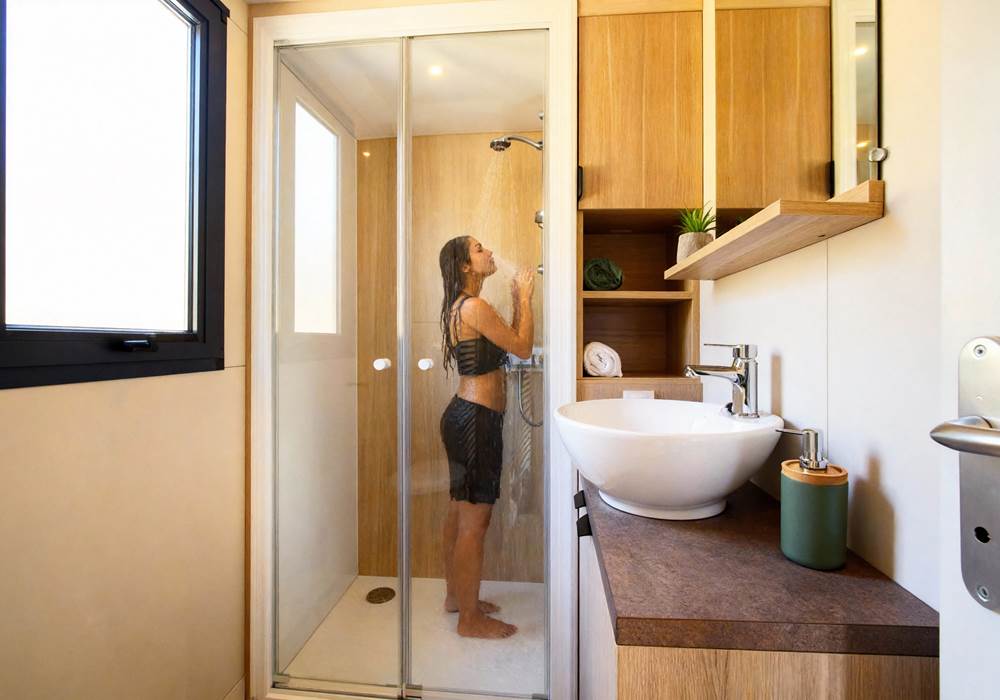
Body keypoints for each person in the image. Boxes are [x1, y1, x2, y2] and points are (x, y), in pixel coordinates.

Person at [438, 235, 534, 639]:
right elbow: (523, 347)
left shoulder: (461, 307)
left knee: (461, 515)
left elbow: (509, 342)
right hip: (475, 421)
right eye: (479, 249)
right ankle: (469, 621)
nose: (490, 252)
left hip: (466, 417)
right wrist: (524, 297)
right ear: (464, 265)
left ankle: (457, 599)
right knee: (473, 524)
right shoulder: (473, 306)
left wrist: (514, 301)